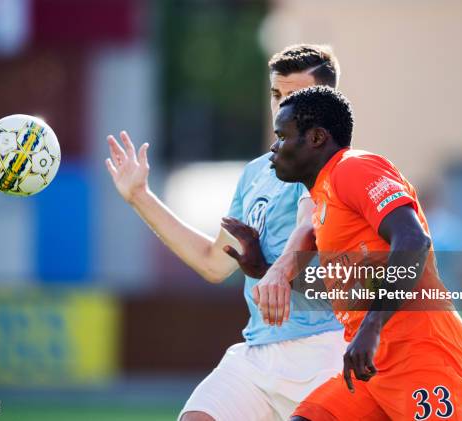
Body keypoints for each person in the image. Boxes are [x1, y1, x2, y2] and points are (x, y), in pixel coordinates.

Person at [105, 45, 348, 421]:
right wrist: (140, 197)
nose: (283, 107)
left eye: (296, 97)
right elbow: (214, 264)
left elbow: (309, 220)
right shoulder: (256, 173)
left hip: (324, 351)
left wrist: (279, 269)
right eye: (277, 95)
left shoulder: (337, 164)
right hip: (258, 351)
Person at [267, 86, 462, 420]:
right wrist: (259, 266)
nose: (274, 146)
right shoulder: (324, 198)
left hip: (421, 352)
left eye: (282, 135)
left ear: (318, 137)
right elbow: (349, 280)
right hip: (370, 365)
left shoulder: (353, 168)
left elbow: (412, 240)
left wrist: (372, 325)